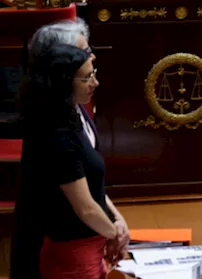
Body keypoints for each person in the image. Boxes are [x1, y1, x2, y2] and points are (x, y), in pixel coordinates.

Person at [19, 44, 129, 277]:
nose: (95, 83)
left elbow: (91, 186)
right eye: (87, 78)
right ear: (64, 82)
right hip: (73, 255)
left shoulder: (73, 117)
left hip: (90, 246)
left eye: (94, 74)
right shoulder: (57, 136)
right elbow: (86, 208)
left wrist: (117, 219)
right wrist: (116, 235)